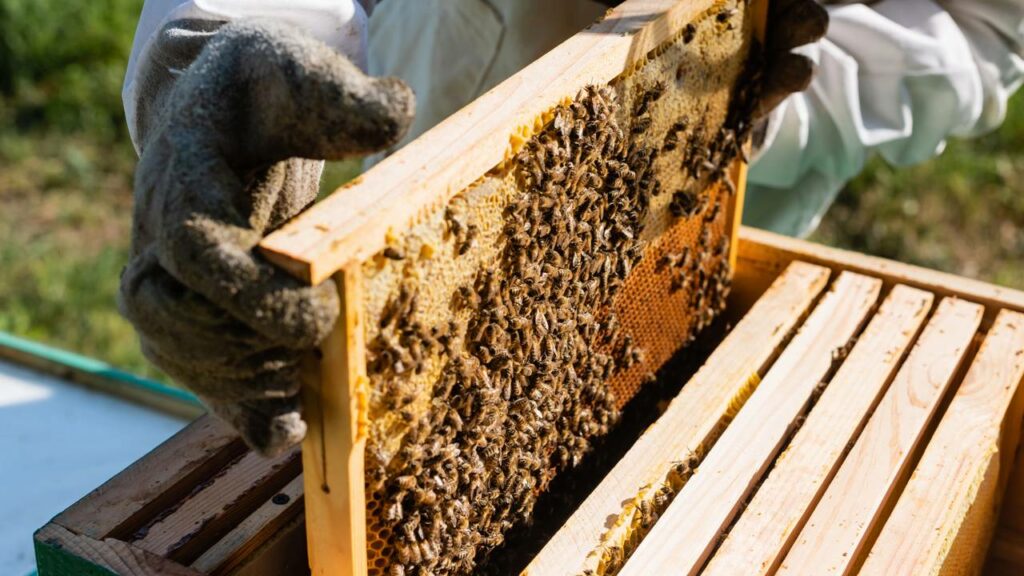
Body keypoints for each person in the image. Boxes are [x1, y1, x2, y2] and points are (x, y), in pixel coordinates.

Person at [119, 0, 1023, 455]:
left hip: (692, 228)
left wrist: (733, 88)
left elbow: (977, 25)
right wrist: (210, 52)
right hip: (424, 121)